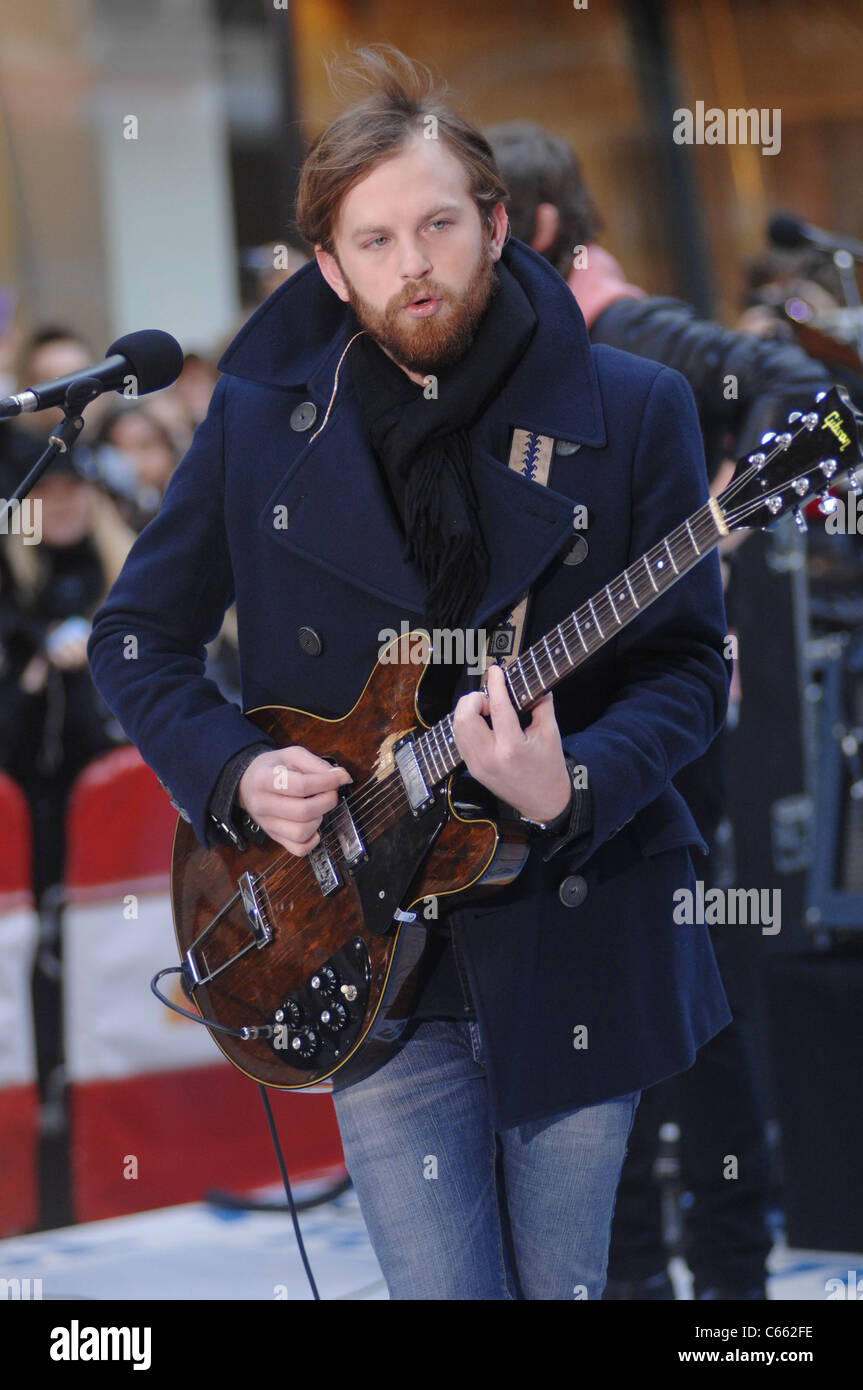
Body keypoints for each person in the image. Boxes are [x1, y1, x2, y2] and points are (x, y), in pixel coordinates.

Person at [87, 46, 732, 1301]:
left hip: (574, 918)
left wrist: (575, 782)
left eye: (437, 224)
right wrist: (230, 770)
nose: (412, 264)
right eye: (373, 240)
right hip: (355, 942)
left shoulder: (632, 406)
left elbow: (685, 672)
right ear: (328, 266)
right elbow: (135, 637)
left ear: (494, 224)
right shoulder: (261, 418)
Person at [484, 118, 839, 1300]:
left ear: (533, 228)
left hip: (660, 717)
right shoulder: (516, 362)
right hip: (552, 726)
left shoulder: (624, 327)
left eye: (478, 225)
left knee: (686, 1003)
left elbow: (798, 386)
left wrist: (703, 533)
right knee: (606, 1015)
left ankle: (726, 1289)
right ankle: (628, 1276)